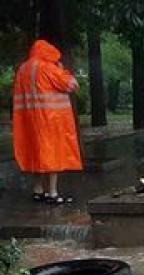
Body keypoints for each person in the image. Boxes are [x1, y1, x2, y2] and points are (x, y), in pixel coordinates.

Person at [12, 39, 82, 204]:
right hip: (50, 120)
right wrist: (63, 71)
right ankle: (53, 193)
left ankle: (37, 190)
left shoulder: (23, 69)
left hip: (28, 121)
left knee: (36, 153)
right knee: (53, 155)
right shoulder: (49, 68)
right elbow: (72, 85)